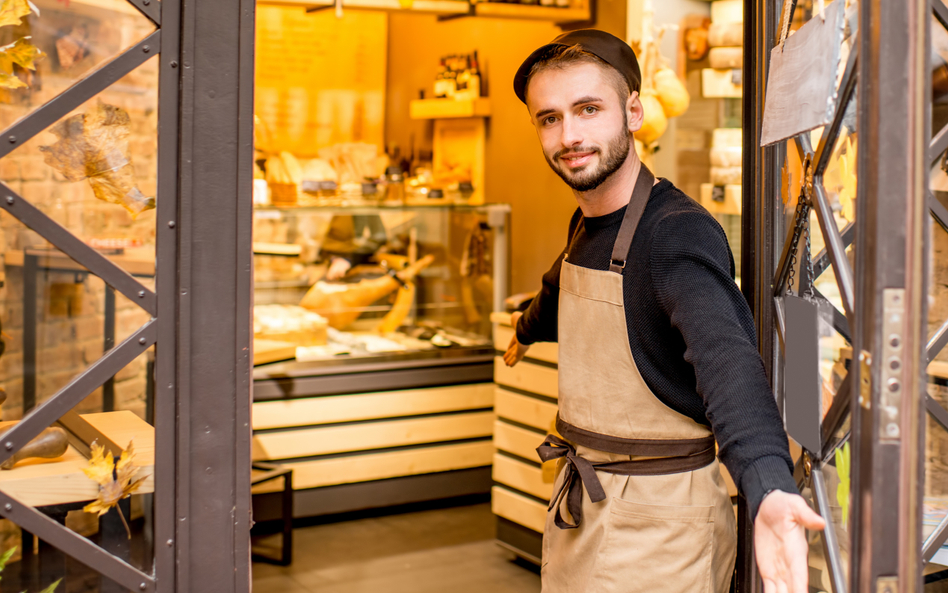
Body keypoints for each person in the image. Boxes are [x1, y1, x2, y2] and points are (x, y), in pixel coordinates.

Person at [503, 29, 825, 593]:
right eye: (549, 118)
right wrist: (526, 327)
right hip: (589, 507)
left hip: (660, 528)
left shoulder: (675, 234)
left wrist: (769, 487)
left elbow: (728, 360)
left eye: (587, 109)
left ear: (633, 112)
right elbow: (560, 279)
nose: (569, 135)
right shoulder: (587, 222)